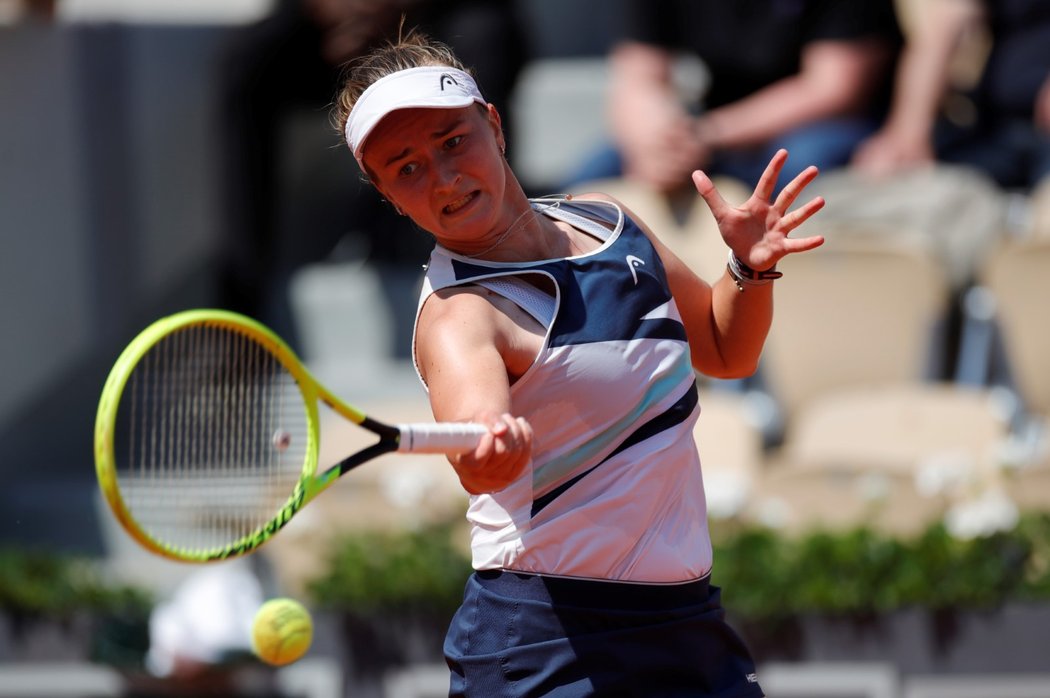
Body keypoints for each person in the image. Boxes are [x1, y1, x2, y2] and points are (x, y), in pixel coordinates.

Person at [334, 28, 826, 697]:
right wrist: (494, 449)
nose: (444, 179)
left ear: (494, 125)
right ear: (387, 194)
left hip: (685, 623)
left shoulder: (611, 224)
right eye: (408, 168)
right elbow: (479, 452)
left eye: (454, 142)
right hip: (544, 641)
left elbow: (723, 348)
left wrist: (747, 269)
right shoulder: (462, 316)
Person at [216, 0, 526, 349]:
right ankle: (242, 311)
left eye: (453, 143)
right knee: (247, 59)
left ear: (494, 126)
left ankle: (498, 254)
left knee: (485, 35)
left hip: (430, 18)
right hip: (332, 20)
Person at [568, 0, 901, 193]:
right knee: (594, 175)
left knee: (798, 164)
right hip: (712, 124)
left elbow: (834, 89)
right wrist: (655, 141)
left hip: (827, 123)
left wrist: (705, 135)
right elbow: (637, 76)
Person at [852, 0, 1050, 192]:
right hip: (995, 129)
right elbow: (944, 25)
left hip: (1042, 136)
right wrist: (906, 133)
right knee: (892, 186)